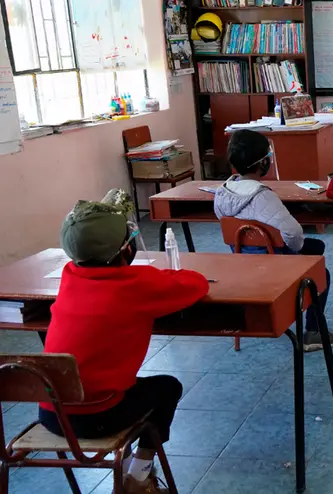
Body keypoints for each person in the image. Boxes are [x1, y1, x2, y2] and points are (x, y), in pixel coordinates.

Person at [40, 195, 209, 493]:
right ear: (126, 248)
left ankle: (128, 466)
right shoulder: (135, 283)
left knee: (130, 388)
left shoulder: (69, 276)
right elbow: (196, 284)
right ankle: (138, 477)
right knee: (167, 387)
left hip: (51, 415)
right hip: (96, 418)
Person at [213, 129, 333, 351]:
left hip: (241, 262)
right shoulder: (263, 196)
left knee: (317, 247)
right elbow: (293, 234)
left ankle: (299, 298)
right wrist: (295, 251)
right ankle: (313, 331)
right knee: (321, 272)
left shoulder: (222, 192)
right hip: (271, 265)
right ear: (263, 162)